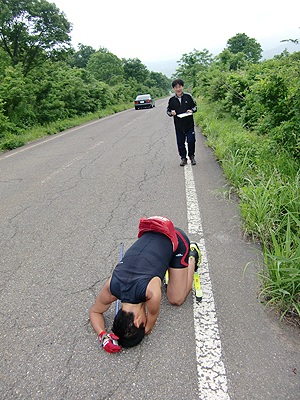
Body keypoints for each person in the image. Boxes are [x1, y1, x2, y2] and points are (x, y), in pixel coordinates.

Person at [89, 216, 201, 353]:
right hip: (150, 233)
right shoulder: (112, 287)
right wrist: (103, 336)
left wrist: (145, 330)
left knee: (176, 299)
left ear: (138, 321)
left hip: (176, 239)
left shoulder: (151, 293)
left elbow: (149, 326)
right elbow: (94, 311)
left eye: (142, 323)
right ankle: (168, 268)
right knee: (167, 285)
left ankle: (192, 256)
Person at [167, 79, 198, 166]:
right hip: (178, 125)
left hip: (189, 124)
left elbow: (195, 107)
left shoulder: (188, 96)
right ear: (173, 88)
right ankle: (183, 158)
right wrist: (171, 113)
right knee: (180, 143)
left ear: (183, 87)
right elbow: (168, 111)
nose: (178, 89)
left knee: (191, 141)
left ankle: (191, 156)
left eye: (180, 87)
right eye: (176, 87)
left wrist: (191, 110)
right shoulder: (172, 100)